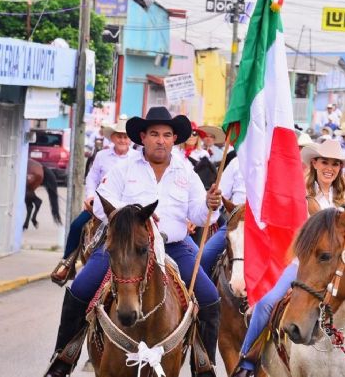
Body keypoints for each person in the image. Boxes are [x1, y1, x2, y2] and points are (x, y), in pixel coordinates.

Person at [43, 107, 223, 377]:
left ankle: (204, 363)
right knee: (81, 287)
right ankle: (64, 356)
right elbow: (103, 205)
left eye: (166, 134)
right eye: (154, 134)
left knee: (210, 298)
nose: (160, 140)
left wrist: (212, 204)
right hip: (125, 246)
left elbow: (198, 213)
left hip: (174, 246)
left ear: (174, 139)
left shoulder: (186, 171)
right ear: (143, 137)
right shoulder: (123, 168)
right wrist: (134, 216)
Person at [231, 140, 345, 377]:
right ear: (315, 163)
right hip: (304, 264)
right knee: (268, 303)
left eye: (335, 164)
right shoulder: (300, 194)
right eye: (325, 162)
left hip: (339, 267)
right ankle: (247, 361)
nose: (329, 167)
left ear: (340, 168)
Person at [51, 115, 140, 284]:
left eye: (125, 136)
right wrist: (90, 196)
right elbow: (92, 178)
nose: (122, 139)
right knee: (77, 225)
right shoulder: (101, 156)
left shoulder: (137, 158)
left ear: (130, 139)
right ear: (112, 137)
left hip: (128, 208)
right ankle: (67, 264)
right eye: (119, 135)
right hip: (101, 205)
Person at [200, 150, 247, 277]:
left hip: (264, 226)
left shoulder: (275, 164)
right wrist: (212, 204)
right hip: (235, 221)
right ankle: (204, 296)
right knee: (204, 257)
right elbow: (221, 194)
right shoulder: (236, 163)